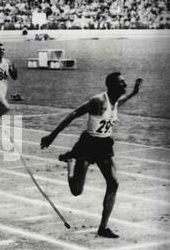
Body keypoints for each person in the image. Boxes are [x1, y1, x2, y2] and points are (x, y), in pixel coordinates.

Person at [41, 73, 143, 238]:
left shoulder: (115, 101)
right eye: (121, 83)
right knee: (76, 191)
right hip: (88, 145)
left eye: (125, 82)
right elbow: (74, 114)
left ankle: (103, 227)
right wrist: (52, 135)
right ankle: (71, 161)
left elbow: (121, 101)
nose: (125, 85)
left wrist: (133, 92)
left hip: (104, 145)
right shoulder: (98, 101)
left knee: (114, 183)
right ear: (111, 86)